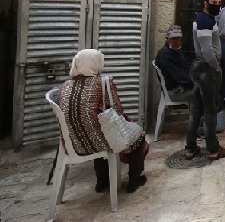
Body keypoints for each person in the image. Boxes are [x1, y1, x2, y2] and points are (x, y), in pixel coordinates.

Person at [56, 49, 148, 193]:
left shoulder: (64, 86)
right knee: (138, 134)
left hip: (73, 144)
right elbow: (118, 110)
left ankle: (102, 180)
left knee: (92, 129)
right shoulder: (103, 82)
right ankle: (134, 179)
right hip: (99, 143)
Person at [184, 0, 225, 161]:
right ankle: (213, 148)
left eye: (219, 3)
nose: (217, 6)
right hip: (206, 69)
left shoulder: (203, 19)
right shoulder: (205, 21)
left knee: (196, 110)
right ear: (206, 3)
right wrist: (216, 67)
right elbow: (206, 50)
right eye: (213, 3)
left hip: (199, 68)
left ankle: (190, 148)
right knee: (210, 110)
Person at [154, 25, 194, 103]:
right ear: (168, 39)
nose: (176, 41)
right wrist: (195, 83)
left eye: (178, 38)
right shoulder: (166, 54)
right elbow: (180, 77)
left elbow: (184, 68)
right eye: (173, 38)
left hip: (178, 88)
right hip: (174, 93)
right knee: (203, 93)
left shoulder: (175, 51)